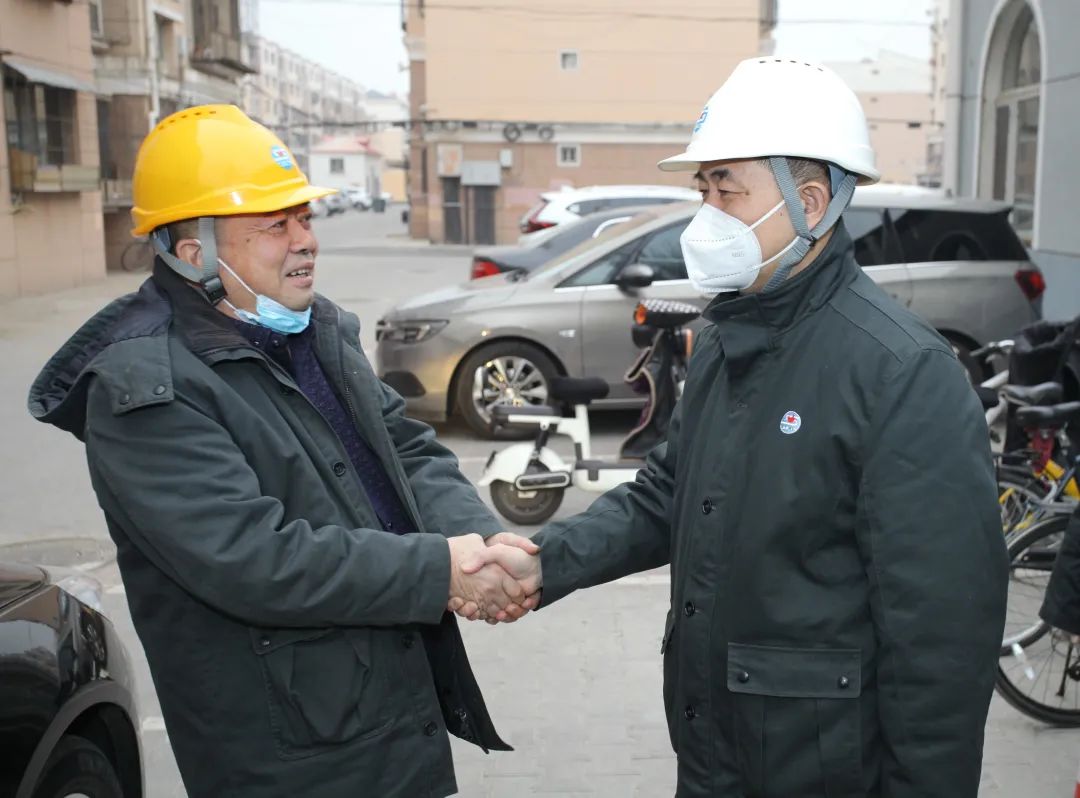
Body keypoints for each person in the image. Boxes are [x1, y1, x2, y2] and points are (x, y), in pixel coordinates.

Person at [457, 58, 1009, 796]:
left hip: (822, 771)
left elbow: (940, 641)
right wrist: (545, 561)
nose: (707, 213)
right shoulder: (726, 338)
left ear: (810, 203)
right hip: (714, 754)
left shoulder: (902, 373)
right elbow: (667, 494)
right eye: (703, 189)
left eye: (728, 189)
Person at [28, 105, 538, 798]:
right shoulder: (144, 386)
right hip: (290, 752)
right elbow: (252, 559)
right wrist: (440, 570)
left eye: (305, 217)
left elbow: (405, 447)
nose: (306, 242)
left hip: (379, 710)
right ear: (194, 254)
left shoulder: (310, 328)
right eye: (275, 225)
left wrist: (476, 539)